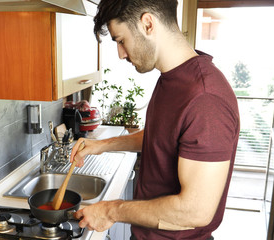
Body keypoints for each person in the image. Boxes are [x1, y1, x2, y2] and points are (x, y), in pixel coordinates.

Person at [70, 0, 240, 239]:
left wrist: (111, 211)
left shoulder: (205, 98)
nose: (120, 54)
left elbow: (197, 211)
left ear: (147, 23)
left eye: (120, 40)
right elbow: (162, 137)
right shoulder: (173, 79)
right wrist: (102, 146)